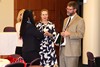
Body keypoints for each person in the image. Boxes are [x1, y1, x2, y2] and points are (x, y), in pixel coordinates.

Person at [60, 1, 85, 67]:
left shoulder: (80, 20)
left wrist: (69, 34)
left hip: (72, 52)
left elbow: (80, 34)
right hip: (63, 50)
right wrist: (61, 35)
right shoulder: (65, 20)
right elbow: (64, 33)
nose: (68, 11)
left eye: (70, 9)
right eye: (67, 9)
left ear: (75, 10)